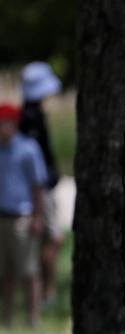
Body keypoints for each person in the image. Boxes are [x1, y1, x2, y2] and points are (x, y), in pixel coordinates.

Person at [0, 103, 48, 328]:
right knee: (6, 272)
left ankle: (34, 318)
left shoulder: (28, 149)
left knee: (29, 270)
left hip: (23, 216)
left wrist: (39, 217)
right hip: (2, 217)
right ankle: (7, 318)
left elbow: (38, 185)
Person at [19, 62, 63, 308]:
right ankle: (46, 292)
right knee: (53, 238)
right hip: (41, 188)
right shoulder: (30, 121)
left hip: (44, 186)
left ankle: (45, 292)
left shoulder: (30, 118)